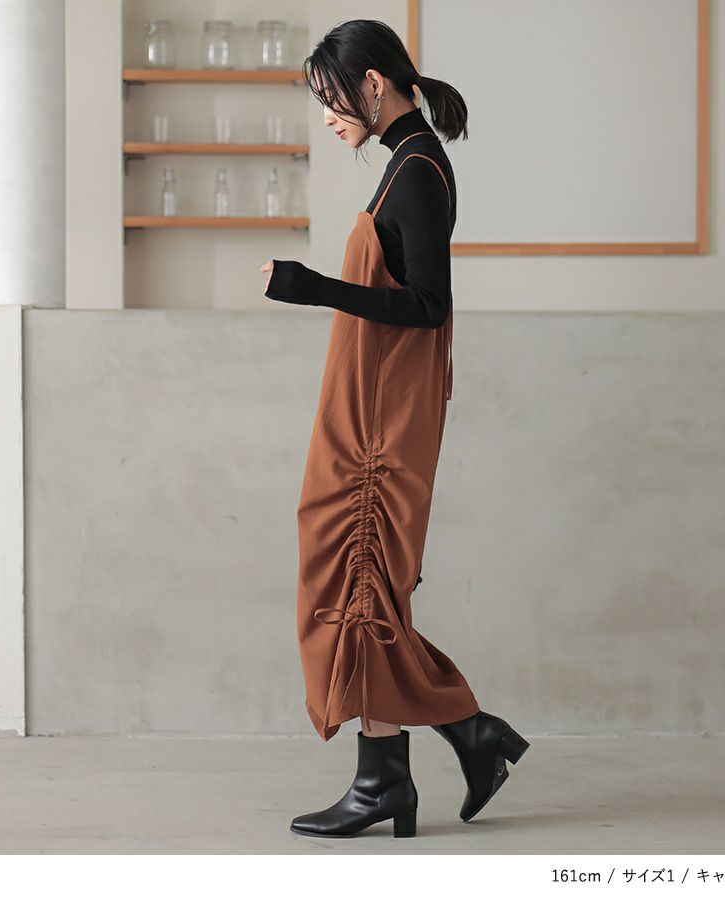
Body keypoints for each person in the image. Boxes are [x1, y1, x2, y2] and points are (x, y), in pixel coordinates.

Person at [260, 19, 529, 840]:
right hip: (368, 404)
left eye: (332, 97)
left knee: (361, 583)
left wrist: (314, 287)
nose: (328, 115)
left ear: (372, 84)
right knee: (360, 587)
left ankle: (401, 773)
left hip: (383, 421)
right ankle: (446, 748)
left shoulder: (416, 170)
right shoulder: (406, 162)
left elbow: (427, 305)